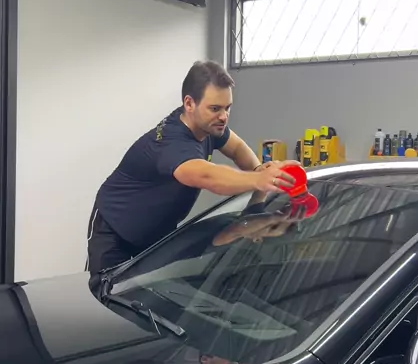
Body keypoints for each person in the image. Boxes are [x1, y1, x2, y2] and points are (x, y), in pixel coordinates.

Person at [86, 59, 298, 279]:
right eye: (215, 108)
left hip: (156, 232)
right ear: (189, 103)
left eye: (227, 107)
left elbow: (236, 148)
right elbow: (207, 176)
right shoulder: (172, 143)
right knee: (103, 292)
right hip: (114, 230)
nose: (224, 116)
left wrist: (258, 169)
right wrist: (259, 180)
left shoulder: (209, 126)